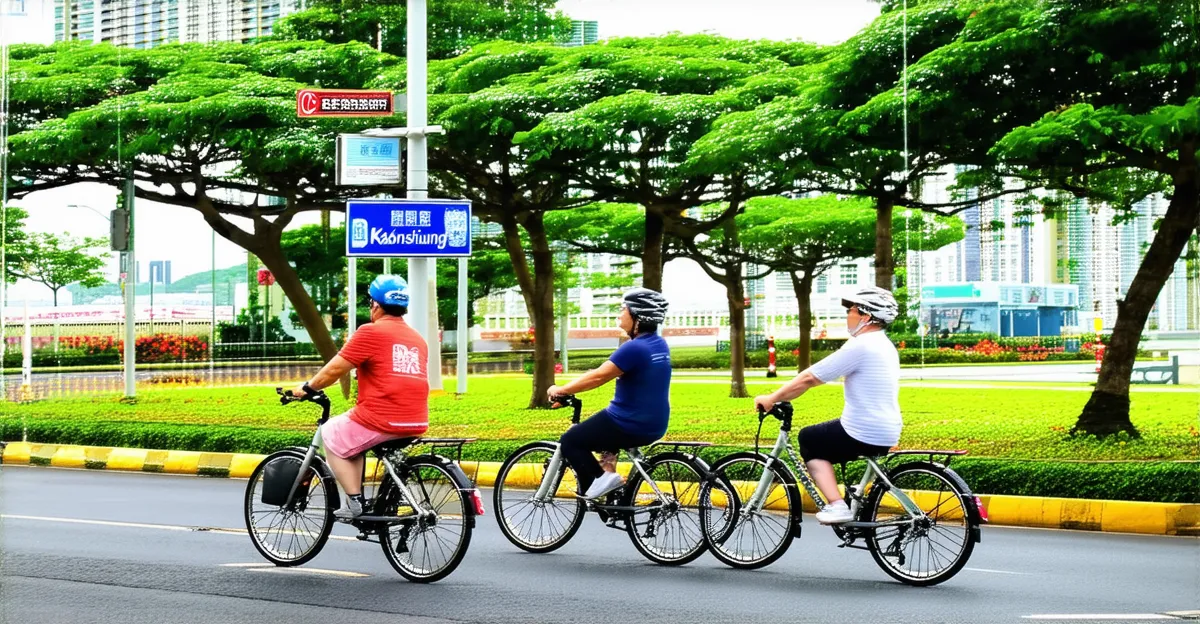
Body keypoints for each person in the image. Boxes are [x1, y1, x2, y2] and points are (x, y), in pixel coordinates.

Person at [753, 286, 901, 524]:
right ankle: (853, 501)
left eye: (850, 310)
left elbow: (810, 378)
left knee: (811, 439)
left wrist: (772, 398)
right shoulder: (883, 344)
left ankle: (837, 506)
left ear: (866, 315)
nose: (847, 316)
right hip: (886, 427)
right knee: (827, 435)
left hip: (864, 429)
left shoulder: (862, 345)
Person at [292, 275, 429, 521]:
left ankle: (354, 503)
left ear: (375, 305)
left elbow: (334, 370)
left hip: (382, 418)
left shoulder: (370, 332)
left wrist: (307, 387)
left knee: (331, 431)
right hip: (416, 421)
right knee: (353, 437)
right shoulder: (417, 338)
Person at [546, 288, 672, 500]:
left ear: (638, 317)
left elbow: (598, 378)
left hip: (629, 422)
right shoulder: (658, 344)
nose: (620, 313)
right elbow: (605, 372)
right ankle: (610, 487)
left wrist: (560, 390)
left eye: (625, 308)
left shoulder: (634, 348)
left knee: (571, 440)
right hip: (653, 423)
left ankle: (601, 480)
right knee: (604, 432)